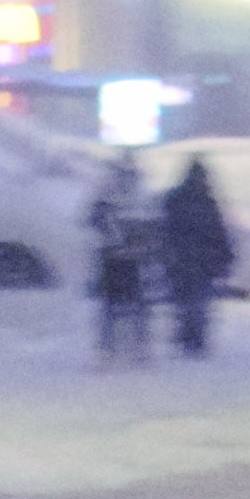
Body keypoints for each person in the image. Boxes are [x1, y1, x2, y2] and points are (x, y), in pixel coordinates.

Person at [89, 153, 161, 367]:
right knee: (139, 305)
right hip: (135, 259)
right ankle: (141, 348)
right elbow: (153, 224)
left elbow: (92, 220)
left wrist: (109, 240)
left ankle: (106, 351)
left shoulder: (105, 193)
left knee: (109, 308)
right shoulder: (142, 194)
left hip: (110, 258)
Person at [162, 156, 235, 357]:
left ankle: (187, 337)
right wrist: (226, 257)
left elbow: (166, 230)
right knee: (198, 303)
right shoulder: (207, 201)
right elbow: (218, 231)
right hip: (201, 261)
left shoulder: (174, 200)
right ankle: (195, 340)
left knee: (185, 302)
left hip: (183, 260)